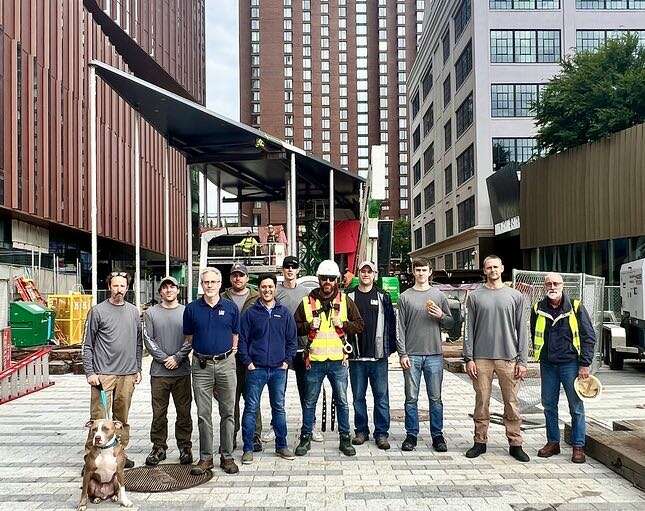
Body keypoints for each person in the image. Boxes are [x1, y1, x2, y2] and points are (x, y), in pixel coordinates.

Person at [293, 259, 364, 457]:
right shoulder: (307, 302)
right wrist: (308, 326)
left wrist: (343, 323)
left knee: (342, 401)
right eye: (324, 278)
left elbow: (359, 325)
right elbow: (293, 326)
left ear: (336, 280)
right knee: (309, 402)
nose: (327, 282)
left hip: (337, 360)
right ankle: (305, 438)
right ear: (318, 279)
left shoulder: (344, 301)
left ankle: (345, 439)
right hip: (314, 360)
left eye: (331, 279)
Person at [464, 255, 530, 462]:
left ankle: (515, 442)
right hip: (481, 358)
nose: (492, 270)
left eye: (495, 266)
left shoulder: (516, 296)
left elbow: (523, 329)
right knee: (481, 401)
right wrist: (468, 358)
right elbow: (469, 329)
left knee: (511, 402)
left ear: (502, 268)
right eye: (488, 267)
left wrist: (523, 361)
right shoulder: (474, 297)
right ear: (484, 270)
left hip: (508, 358)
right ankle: (480, 441)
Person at [531, 272, 596, 464]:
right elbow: (535, 334)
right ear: (544, 286)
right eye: (549, 283)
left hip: (571, 364)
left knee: (576, 407)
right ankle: (553, 442)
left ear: (563, 285)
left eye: (556, 283)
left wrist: (584, 364)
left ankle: (578, 446)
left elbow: (588, 336)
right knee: (549, 406)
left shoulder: (575, 307)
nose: (552, 286)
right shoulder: (537, 308)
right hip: (548, 365)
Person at [82, 271, 142, 468]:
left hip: (127, 374)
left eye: (122, 286)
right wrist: (90, 372)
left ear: (127, 288)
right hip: (103, 375)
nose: (119, 290)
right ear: (109, 287)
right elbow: (87, 344)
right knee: (98, 418)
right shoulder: (97, 311)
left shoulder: (134, 311)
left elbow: (138, 343)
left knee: (121, 418)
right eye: (115, 286)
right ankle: (91, 459)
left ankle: (119, 455)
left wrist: (138, 368)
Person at [184, 267, 240, 475]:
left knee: (228, 412)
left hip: (226, 363)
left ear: (219, 284)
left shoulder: (231, 307)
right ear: (202, 284)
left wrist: (228, 353)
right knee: (203, 413)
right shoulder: (191, 309)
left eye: (213, 282)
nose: (209, 286)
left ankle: (227, 455)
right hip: (201, 366)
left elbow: (235, 334)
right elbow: (189, 337)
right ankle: (206, 457)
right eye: (206, 282)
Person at [238, 273, 298, 464]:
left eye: (270, 287)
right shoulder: (251, 313)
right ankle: (248, 448)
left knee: (278, 408)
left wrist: (287, 362)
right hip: (256, 369)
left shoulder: (284, 313)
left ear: (275, 288)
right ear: (259, 289)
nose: (267, 290)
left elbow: (292, 340)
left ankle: (282, 445)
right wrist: (248, 362)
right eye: (263, 287)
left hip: (279, 370)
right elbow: (242, 340)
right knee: (251, 408)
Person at [396, 258, 454, 452]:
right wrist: (402, 353)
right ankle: (411, 433)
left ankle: (437, 435)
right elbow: (400, 328)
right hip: (412, 354)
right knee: (411, 397)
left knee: (435, 398)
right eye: (417, 270)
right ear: (413, 272)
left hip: (434, 354)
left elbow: (451, 323)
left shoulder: (438, 296)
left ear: (430, 272)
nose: (420, 273)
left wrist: (441, 316)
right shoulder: (405, 297)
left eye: (424, 270)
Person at [268, 255, 324, 443]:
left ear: (298, 270)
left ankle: (310, 424)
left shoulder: (306, 292)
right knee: (278, 391)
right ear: (282, 270)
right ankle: (275, 426)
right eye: (287, 267)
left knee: (306, 389)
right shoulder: (276, 292)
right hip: (280, 348)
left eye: (293, 267)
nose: (290, 270)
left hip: (302, 347)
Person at [346, 261, 397, 450]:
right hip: (356, 357)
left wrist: (390, 349)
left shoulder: (383, 296)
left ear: (375, 274)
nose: (366, 274)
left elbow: (391, 323)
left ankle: (381, 433)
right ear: (358, 274)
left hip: (378, 357)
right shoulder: (348, 296)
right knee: (358, 396)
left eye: (369, 271)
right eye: (363, 271)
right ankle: (361, 431)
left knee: (381, 397)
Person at [142, 276, 193, 466]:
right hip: (159, 373)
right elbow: (148, 339)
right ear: (160, 292)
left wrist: (178, 357)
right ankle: (158, 447)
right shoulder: (151, 313)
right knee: (159, 412)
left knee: (184, 412)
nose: (169, 290)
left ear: (178, 290)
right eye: (165, 287)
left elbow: (191, 338)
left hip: (182, 372)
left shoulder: (187, 311)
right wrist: (165, 359)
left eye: (172, 287)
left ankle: (184, 446)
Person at [221, 262, 263, 453]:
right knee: (231, 399)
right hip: (228, 356)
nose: (238, 278)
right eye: (234, 275)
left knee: (252, 397)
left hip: (252, 355)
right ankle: (231, 436)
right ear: (230, 278)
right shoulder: (222, 297)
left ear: (247, 278)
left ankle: (254, 436)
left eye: (241, 275)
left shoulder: (257, 297)